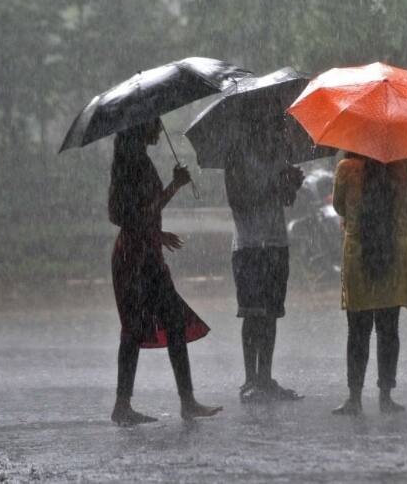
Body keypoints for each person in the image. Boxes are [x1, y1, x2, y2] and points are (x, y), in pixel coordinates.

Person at [108, 117, 222, 425]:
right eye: (154, 123)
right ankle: (124, 406)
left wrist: (158, 231)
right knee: (133, 330)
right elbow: (120, 215)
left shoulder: (139, 160)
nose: (159, 129)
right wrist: (173, 187)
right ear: (139, 127)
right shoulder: (129, 164)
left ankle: (186, 401)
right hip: (134, 258)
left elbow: (144, 212)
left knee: (173, 322)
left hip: (148, 254)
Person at [331, 153, 407, 415]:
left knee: (357, 331)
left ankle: (355, 398)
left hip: (359, 255)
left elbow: (339, 207)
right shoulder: (403, 167)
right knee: (388, 328)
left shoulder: (347, 168)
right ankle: (385, 396)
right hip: (394, 254)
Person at [224, 114, 305, 403]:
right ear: (258, 122)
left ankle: (265, 377)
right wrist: (273, 186)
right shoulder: (236, 155)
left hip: (275, 242)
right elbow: (237, 200)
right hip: (248, 244)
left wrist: (291, 185)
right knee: (252, 313)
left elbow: (284, 201)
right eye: (275, 123)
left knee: (270, 314)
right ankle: (250, 379)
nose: (280, 129)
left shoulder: (279, 153)